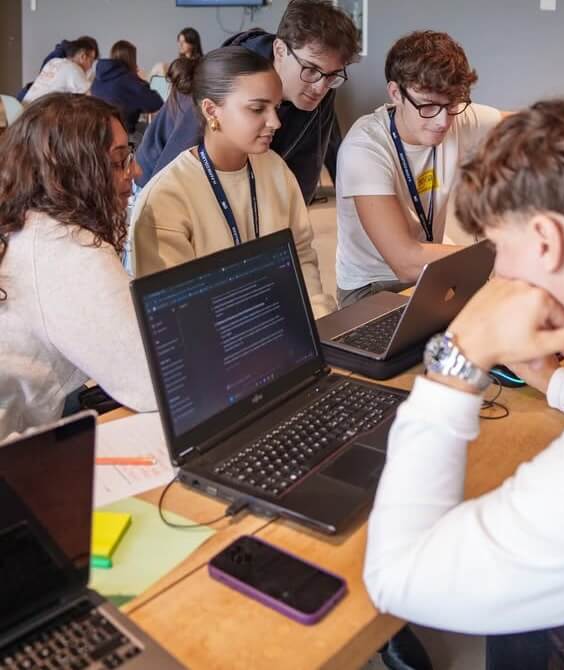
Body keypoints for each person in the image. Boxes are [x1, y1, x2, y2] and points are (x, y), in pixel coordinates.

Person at [364, 100, 564, 669]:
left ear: (547, 240)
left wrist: (459, 356)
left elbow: (397, 577)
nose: (498, 276)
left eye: (500, 251)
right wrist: (555, 382)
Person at [130, 47, 335, 319]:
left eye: (275, 107)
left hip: (284, 328)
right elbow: (177, 316)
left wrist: (316, 320)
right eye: (257, 108)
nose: (275, 122)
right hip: (218, 348)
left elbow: (302, 255)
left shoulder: (275, 170)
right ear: (212, 111)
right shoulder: (166, 198)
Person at [0, 93, 155, 440]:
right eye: (119, 162)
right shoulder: (65, 247)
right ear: (74, 171)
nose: (136, 170)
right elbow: (149, 380)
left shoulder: (22, 221)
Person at [335, 31, 503, 307]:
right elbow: (404, 261)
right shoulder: (364, 148)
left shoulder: (455, 115)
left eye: (452, 105)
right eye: (427, 106)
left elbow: (530, 127)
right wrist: (500, 252)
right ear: (395, 93)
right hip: (375, 285)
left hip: (432, 271)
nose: (442, 121)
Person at [135, 0, 359, 204]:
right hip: (157, 178)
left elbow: (304, 174)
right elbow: (170, 182)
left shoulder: (321, 84)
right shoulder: (229, 77)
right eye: (310, 69)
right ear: (280, 50)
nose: (321, 87)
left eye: (332, 76)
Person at [91, 40, 163, 135]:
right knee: (155, 133)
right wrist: (139, 79)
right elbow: (156, 103)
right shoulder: (129, 81)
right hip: (122, 134)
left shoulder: (98, 78)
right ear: (131, 58)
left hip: (98, 132)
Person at [17, 36, 99, 102]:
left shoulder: (54, 61)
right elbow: (93, 97)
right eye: (91, 61)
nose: (90, 67)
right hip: (40, 117)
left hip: (25, 112)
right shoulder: (73, 69)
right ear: (83, 57)